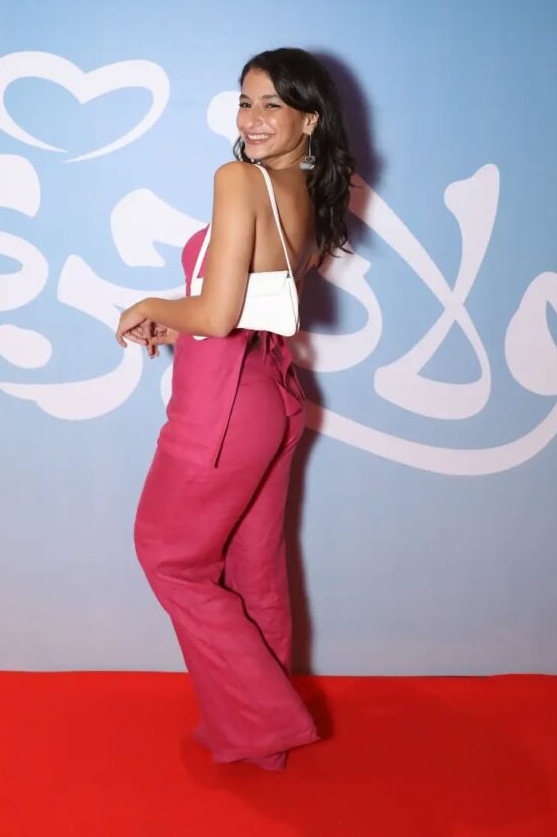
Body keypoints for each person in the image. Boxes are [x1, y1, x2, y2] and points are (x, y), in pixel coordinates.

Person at [115, 47, 354, 771]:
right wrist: (176, 325)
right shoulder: (305, 191)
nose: (252, 118)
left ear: (309, 120)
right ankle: (262, 742)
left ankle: (269, 720)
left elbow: (217, 315)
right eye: (245, 101)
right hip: (272, 398)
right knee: (256, 570)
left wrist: (150, 305)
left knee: (169, 558)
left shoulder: (240, 179)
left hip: (221, 410)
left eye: (272, 104)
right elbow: (249, 308)